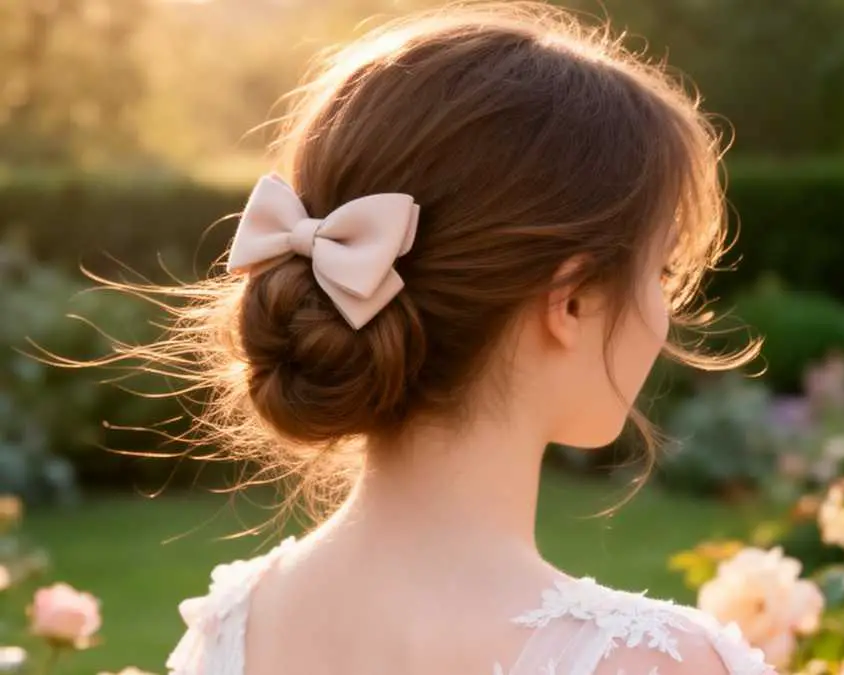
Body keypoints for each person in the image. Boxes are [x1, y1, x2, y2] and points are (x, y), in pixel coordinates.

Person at [135, 3, 771, 674]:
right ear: (573, 300)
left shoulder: (233, 625)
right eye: (661, 271)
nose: (665, 312)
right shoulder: (657, 662)